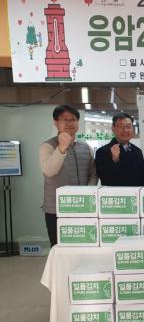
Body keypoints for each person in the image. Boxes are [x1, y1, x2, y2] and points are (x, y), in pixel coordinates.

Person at [39, 105, 97, 246]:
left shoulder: (86, 147)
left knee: (83, 247)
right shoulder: (47, 146)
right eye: (65, 119)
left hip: (83, 208)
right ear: (56, 122)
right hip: (56, 210)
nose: (70, 123)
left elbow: (93, 174)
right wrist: (61, 148)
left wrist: (87, 193)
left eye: (73, 119)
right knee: (59, 248)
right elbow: (49, 171)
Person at [95, 112, 144, 186]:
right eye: (121, 126)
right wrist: (114, 160)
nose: (125, 130)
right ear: (113, 128)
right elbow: (104, 178)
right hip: (115, 193)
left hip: (137, 192)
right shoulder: (102, 151)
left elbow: (143, 176)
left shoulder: (137, 151)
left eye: (128, 126)